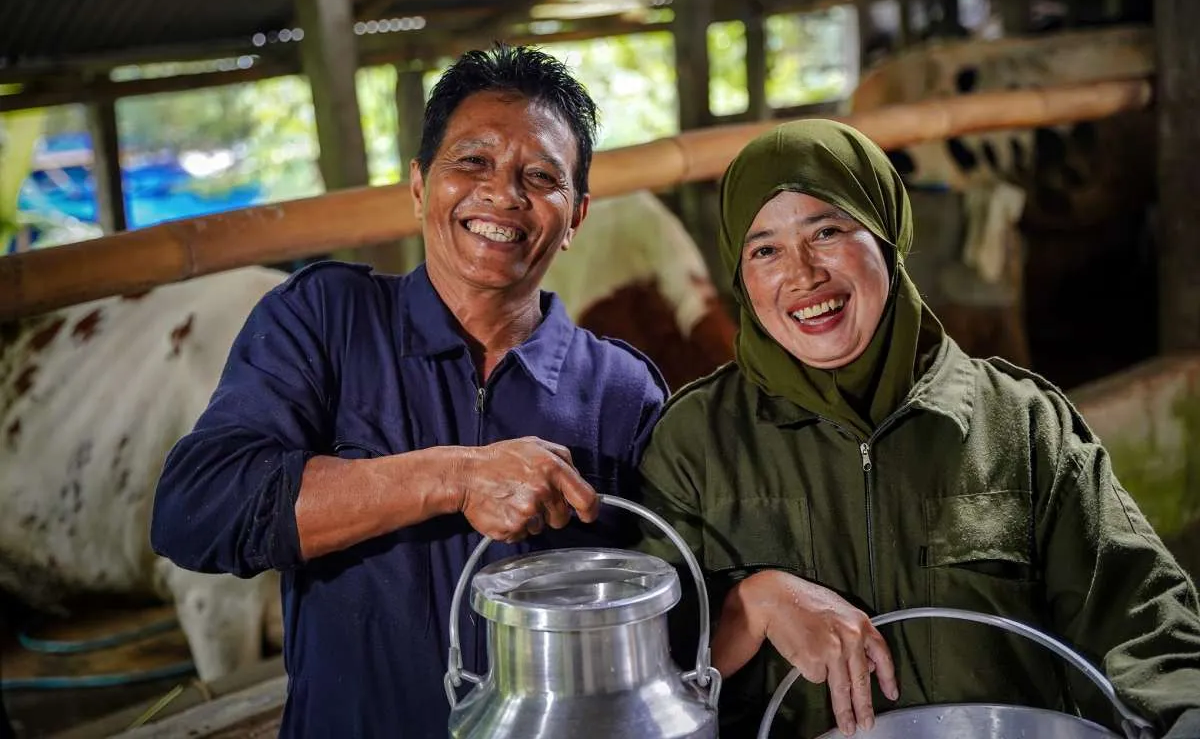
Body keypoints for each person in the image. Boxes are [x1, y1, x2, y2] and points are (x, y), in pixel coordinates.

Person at [150, 44, 668, 737]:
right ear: (421, 187)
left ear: (574, 217)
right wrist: (454, 476)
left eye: (540, 176)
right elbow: (196, 510)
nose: (503, 194)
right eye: (473, 163)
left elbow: (682, 582)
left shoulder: (620, 390)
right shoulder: (326, 320)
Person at [637, 118, 1200, 738]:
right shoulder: (695, 443)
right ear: (740, 277)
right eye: (764, 249)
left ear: (887, 235)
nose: (801, 274)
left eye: (827, 231)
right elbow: (640, 681)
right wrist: (751, 606)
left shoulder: (1022, 422)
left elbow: (1143, 627)